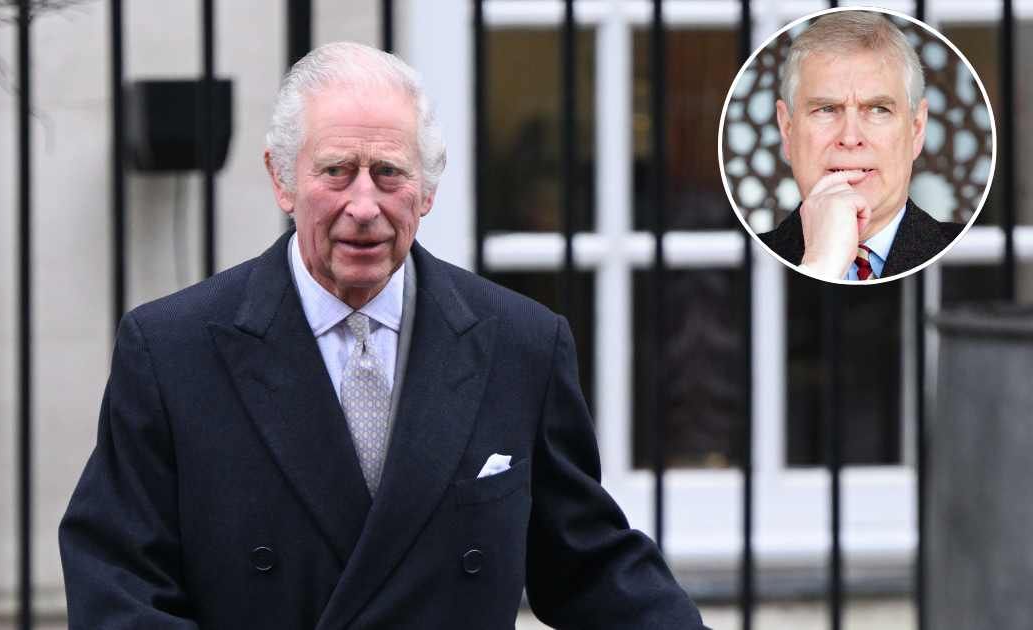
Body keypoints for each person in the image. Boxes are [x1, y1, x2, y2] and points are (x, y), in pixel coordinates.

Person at [59, 42, 706, 629]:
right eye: (336, 171)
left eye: (389, 173)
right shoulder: (173, 351)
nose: (363, 206)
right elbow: (118, 587)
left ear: (426, 190)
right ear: (283, 180)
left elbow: (586, 562)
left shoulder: (521, 344)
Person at [757, 10, 965, 281]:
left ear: (916, 130)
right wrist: (820, 265)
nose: (851, 137)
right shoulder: (747, 264)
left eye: (878, 109)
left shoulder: (972, 260)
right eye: (826, 109)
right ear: (788, 129)